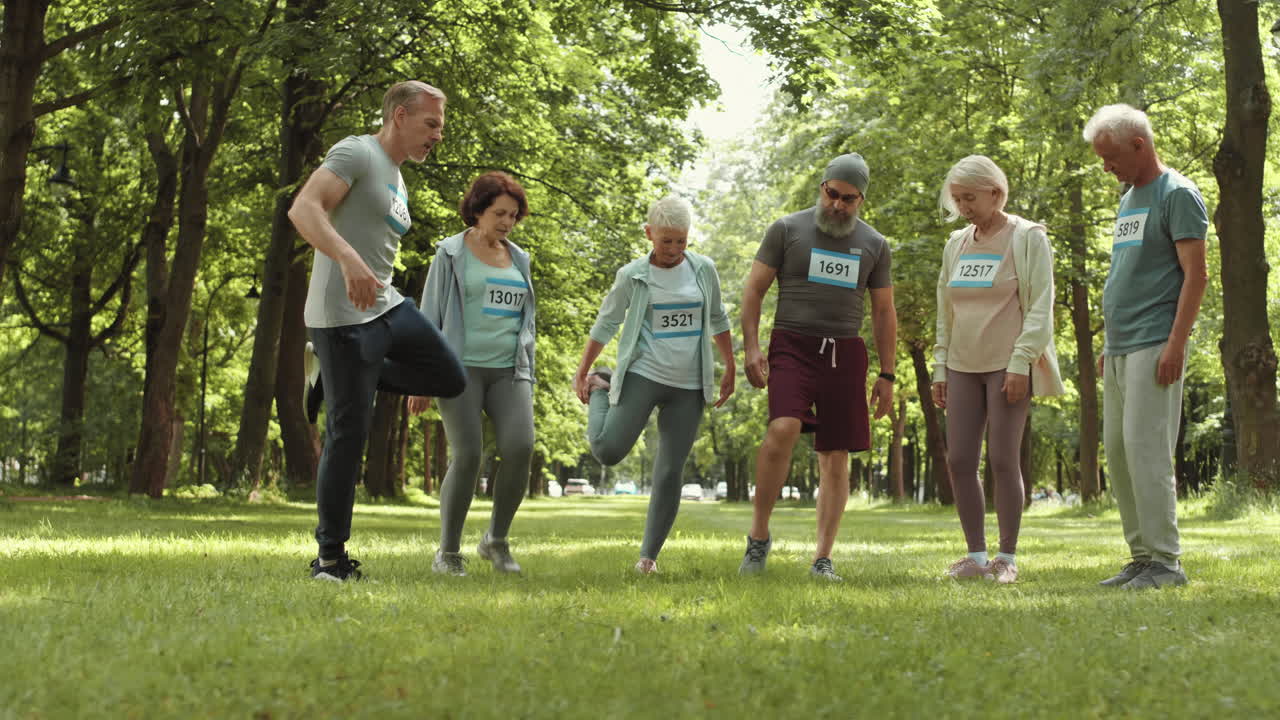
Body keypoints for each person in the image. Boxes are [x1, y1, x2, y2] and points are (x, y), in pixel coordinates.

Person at [290, 81, 467, 582]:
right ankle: (330, 559)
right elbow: (304, 208)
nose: (437, 135)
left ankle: (331, 377)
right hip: (340, 316)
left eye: (440, 127)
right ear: (400, 115)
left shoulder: (397, 175)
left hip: (385, 306)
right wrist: (346, 259)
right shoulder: (357, 152)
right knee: (349, 433)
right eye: (430, 124)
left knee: (448, 376)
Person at [738, 153, 897, 581]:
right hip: (792, 344)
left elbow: (883, 312)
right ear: (822, 186)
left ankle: (822, 558)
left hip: (845, 353)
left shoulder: (875, 245)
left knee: (835, 454)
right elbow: (753, 291)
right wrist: (752, 348)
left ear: (861, 199)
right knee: (783, 427)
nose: (838, 206)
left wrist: (887, 373)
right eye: (833, 194)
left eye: (849, 199)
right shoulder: (787, 230)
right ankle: (758, 538)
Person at [571, 196, 735, 574]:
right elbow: (607, 322)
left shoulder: (703, 270)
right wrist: (584, 370)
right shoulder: (633, 275)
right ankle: (602, 387)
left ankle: (648, 558)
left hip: (689, 386)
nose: (675, 250)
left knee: (669, 472)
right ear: (649, 234)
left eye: (681, 240)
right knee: (608, 451)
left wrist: (729, 367)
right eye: (666, 241)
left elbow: (717, 317)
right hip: (645, 374)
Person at [1085, 104, 1208, 590]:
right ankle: (1141, 557)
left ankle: (1166, 562)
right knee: (1117, 451)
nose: (1106, 167)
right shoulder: (1128, 197)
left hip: (1156, 340)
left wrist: (1176, 343)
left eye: (1111, 157)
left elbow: (1195, 276)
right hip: (1120, 345)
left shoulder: (1177, 194)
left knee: (1146, 450)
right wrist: (1108, 342)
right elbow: (1128, 272)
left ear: (1139, 145)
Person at [931, 155, 1065, 585]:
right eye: (957, 199)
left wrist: (1022, 360)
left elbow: (1041, 305)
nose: (963, 206)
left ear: (995, 191)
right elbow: (944, 311)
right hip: (961, 365)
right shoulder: (956, 244)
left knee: (1004, 459)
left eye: (970, 197)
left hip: (1008, 365)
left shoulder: (1027, 238)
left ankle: (1006, 558)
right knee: (961, 459)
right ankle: (975, 556)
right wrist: (939, 367)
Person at [409, 172, 536, 577]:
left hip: (509, 370)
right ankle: (447, 553)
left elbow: (526, 319)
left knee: (520, 447)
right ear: (478, 210)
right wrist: (421, 377)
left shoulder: (520, 259)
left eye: (514, 216)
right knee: (467, 455)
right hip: (458, 368)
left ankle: (495, 540)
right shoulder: (449, 254)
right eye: (500, 213)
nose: (507, 223)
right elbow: (428, 317)